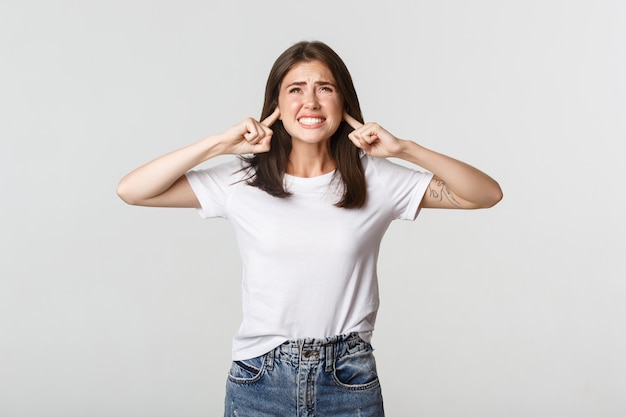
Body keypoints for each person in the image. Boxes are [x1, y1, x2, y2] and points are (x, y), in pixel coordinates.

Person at [117, 40, 502, 417]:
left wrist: (404, 149)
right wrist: (219, 144)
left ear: (343, 103)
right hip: (259, 378)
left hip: (348, 378)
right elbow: (132, 190)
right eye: (296, 90)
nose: (311, 102)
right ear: (277, 107)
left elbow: (485, 194)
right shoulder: (241, 180)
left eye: (325, 89)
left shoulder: (376, 180)